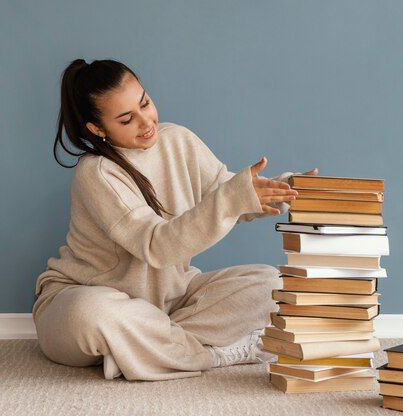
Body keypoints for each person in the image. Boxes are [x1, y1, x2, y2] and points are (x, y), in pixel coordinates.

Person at [32, 58, 318, 381]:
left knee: (273, 285)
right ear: (97, 129)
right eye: (127, 119)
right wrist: (232, 198)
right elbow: (156, 246)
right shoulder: (96, 173)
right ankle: (209, 356)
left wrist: (285, 189)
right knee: (93, 314)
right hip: (83, 299)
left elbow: (227, 194)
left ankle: (140, 349)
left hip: (171, 302)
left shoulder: (177, 140)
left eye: (145, 103)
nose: (146, 122)